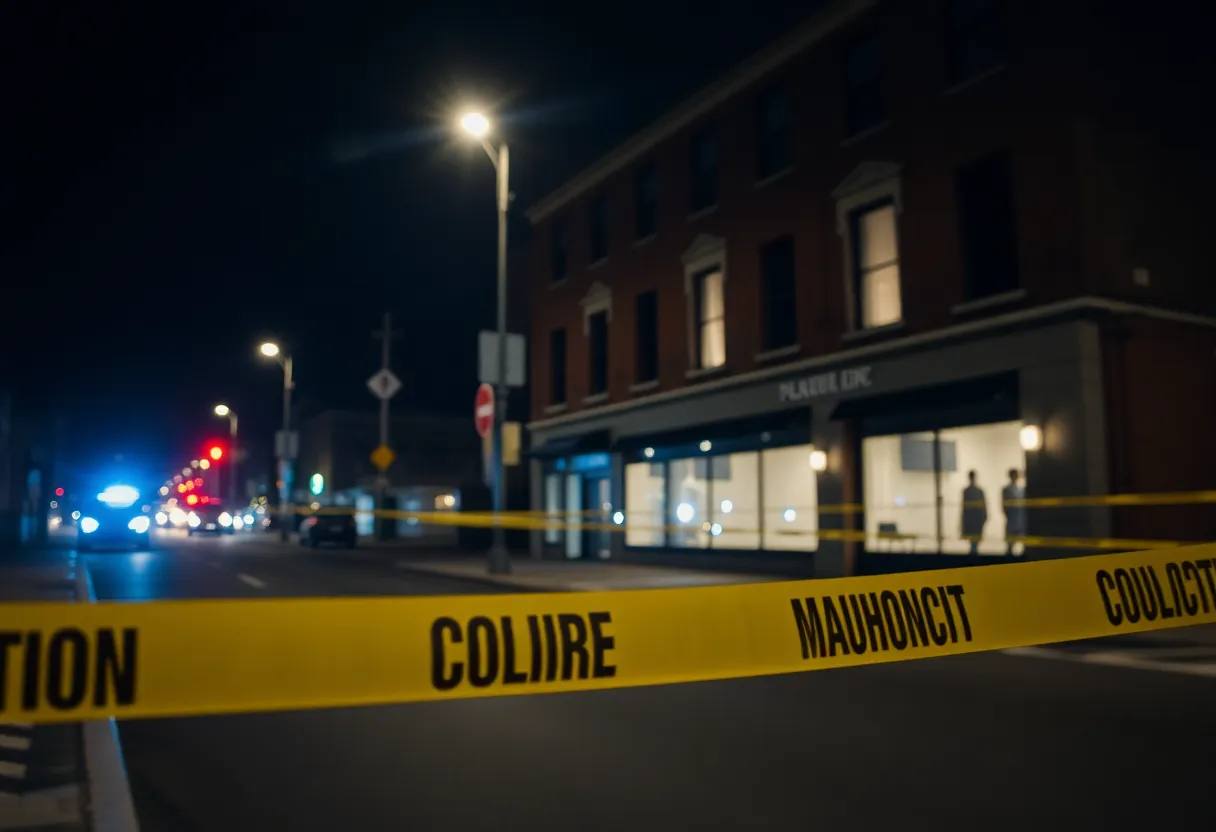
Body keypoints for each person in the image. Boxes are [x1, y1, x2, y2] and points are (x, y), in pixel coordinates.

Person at [960, 470, 987, 555]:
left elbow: (964, 508)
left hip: (972, 519)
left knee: (973, 541)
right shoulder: (978, 491)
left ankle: (973, 554)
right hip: (976, 519)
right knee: (974, 540)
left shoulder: (967, 491)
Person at [1002, 468, 1026, 556]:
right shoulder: (1006, 489)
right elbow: (1005, 506)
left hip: (1020, 519)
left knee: (1023, 542)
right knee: (1010, 545)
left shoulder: (1021, 489)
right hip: (1012, 518)